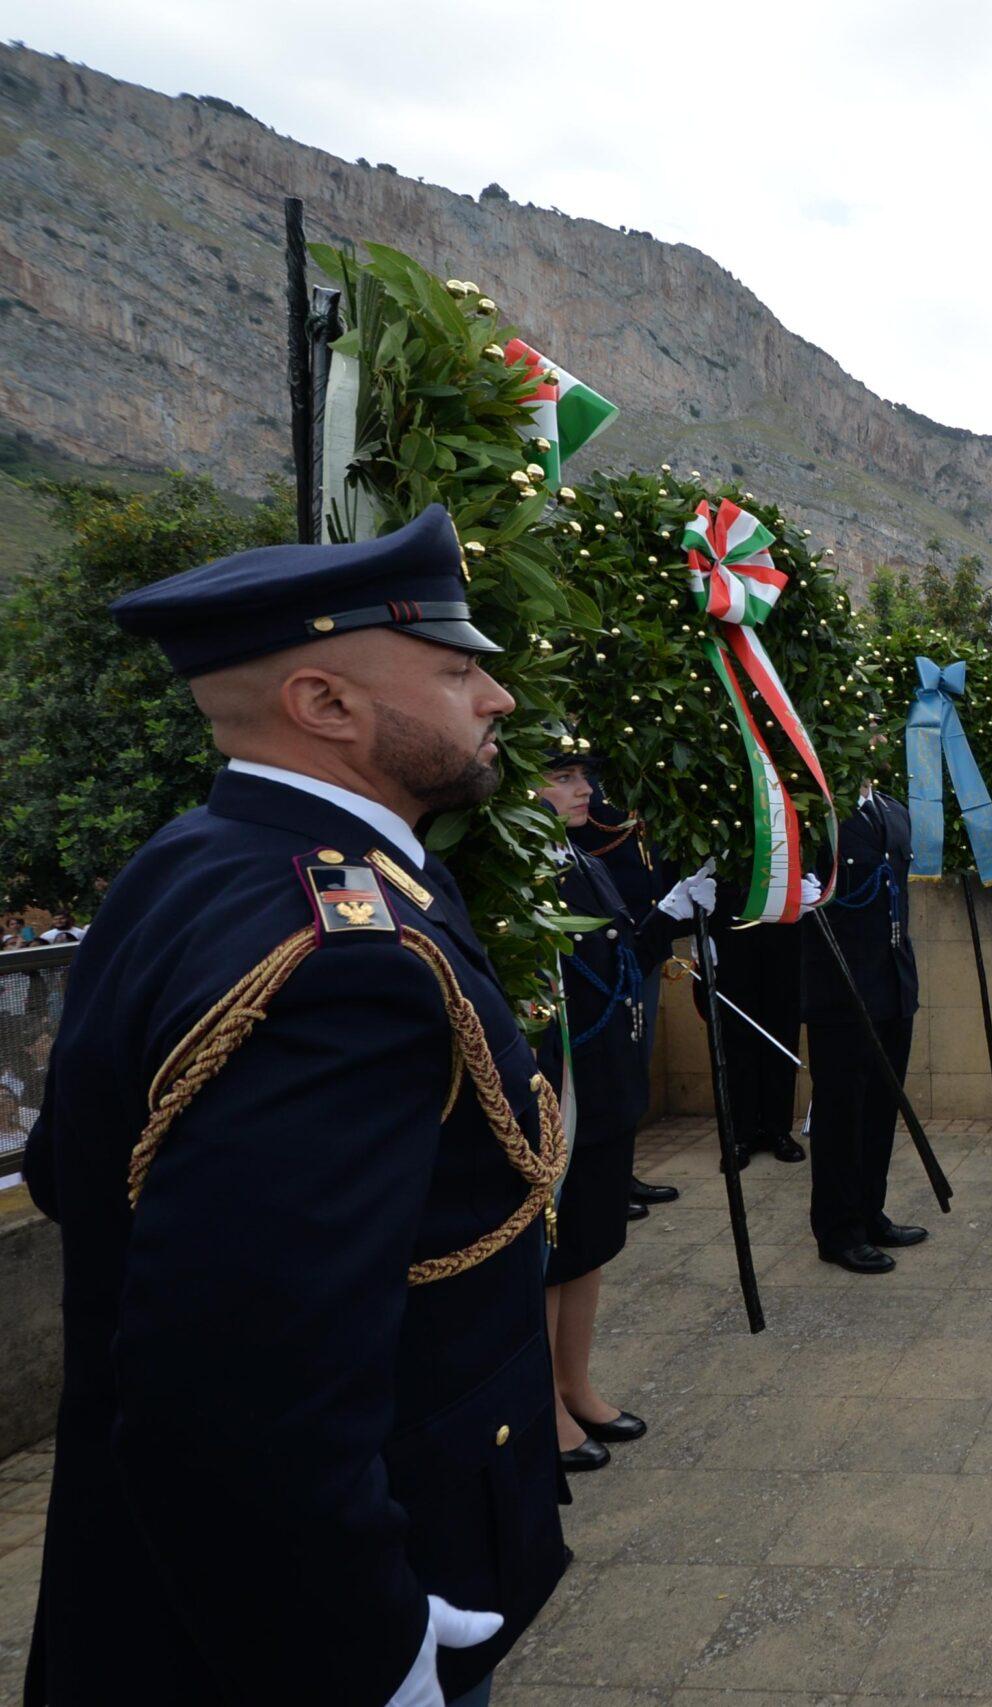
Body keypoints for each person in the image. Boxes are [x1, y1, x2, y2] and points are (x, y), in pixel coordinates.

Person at [27, 506, 568, 1703]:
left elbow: (72, 1171)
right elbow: (238, 1399)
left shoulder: (198, 856)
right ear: (326, 705)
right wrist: (372, 1658)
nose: (497, 698)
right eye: (455, 666)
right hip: (317, 1629)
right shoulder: (346, 960)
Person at [533, 753, 711, 1472]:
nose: (586, 790)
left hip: (603, 1072)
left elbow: (618, 952)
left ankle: (576, 1383)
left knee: (593, 1237)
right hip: (559, 1078)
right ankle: (541, 1398)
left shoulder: (575, 851)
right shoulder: (519, 869)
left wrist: (667, 914)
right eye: (566, 777)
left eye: (583, 776)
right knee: (554, 1247)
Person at [800, 786, 929, 1272]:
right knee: (841, 1115)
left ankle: (870, 1212)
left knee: (879, 1109)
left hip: (892, 985)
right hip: (841, 988)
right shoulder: (812, 810)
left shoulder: (891, 808)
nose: (872, 734)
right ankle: (837, 1230)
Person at [576, 784, 682, 1214]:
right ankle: (605, 1182)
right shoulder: (592, 798)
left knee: (635, 1061)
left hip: (644, 942)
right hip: (607, 950)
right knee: (609, 1065)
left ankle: (623, 1172)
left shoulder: (639, 786)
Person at [695, 908, 805, 1166]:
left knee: (781, 1029)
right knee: (735, 1031)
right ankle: (739, 1133)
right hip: (729, 922)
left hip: (782, 922)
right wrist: (698, 931)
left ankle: (778, 1128)